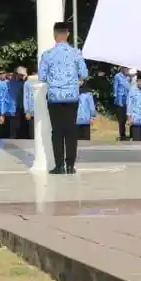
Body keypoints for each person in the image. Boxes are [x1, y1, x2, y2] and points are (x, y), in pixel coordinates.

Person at [39, 21, 88, 175]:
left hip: (55, 97)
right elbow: (84, 73)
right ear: (67, 34)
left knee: (57, 131)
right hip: (71, 96)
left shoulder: (47, 54)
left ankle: (59, 165)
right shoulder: (76, 53)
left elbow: (42, 76)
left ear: (54, 35)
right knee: (71, 130)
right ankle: (70, 165)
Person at [6, 67, 29, 139]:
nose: (20, 76)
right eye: (19, 74)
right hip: (14, 107)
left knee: (23, 126)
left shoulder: (26, 83)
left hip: (24, 107)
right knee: (14, 127)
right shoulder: (10, 83)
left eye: (22, 75)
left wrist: (25, 77)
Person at [112, 68, 131, 141]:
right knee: (122, 120)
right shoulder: (117, 76)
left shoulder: (128, 77)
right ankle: (122, 136)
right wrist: (117, 99)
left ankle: (131, 135)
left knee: (129, 118)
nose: (127, 70)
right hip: (120, 100)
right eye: (126, 69)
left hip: (128, 100)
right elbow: (115, 87)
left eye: (128, 69)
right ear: (122, 69)